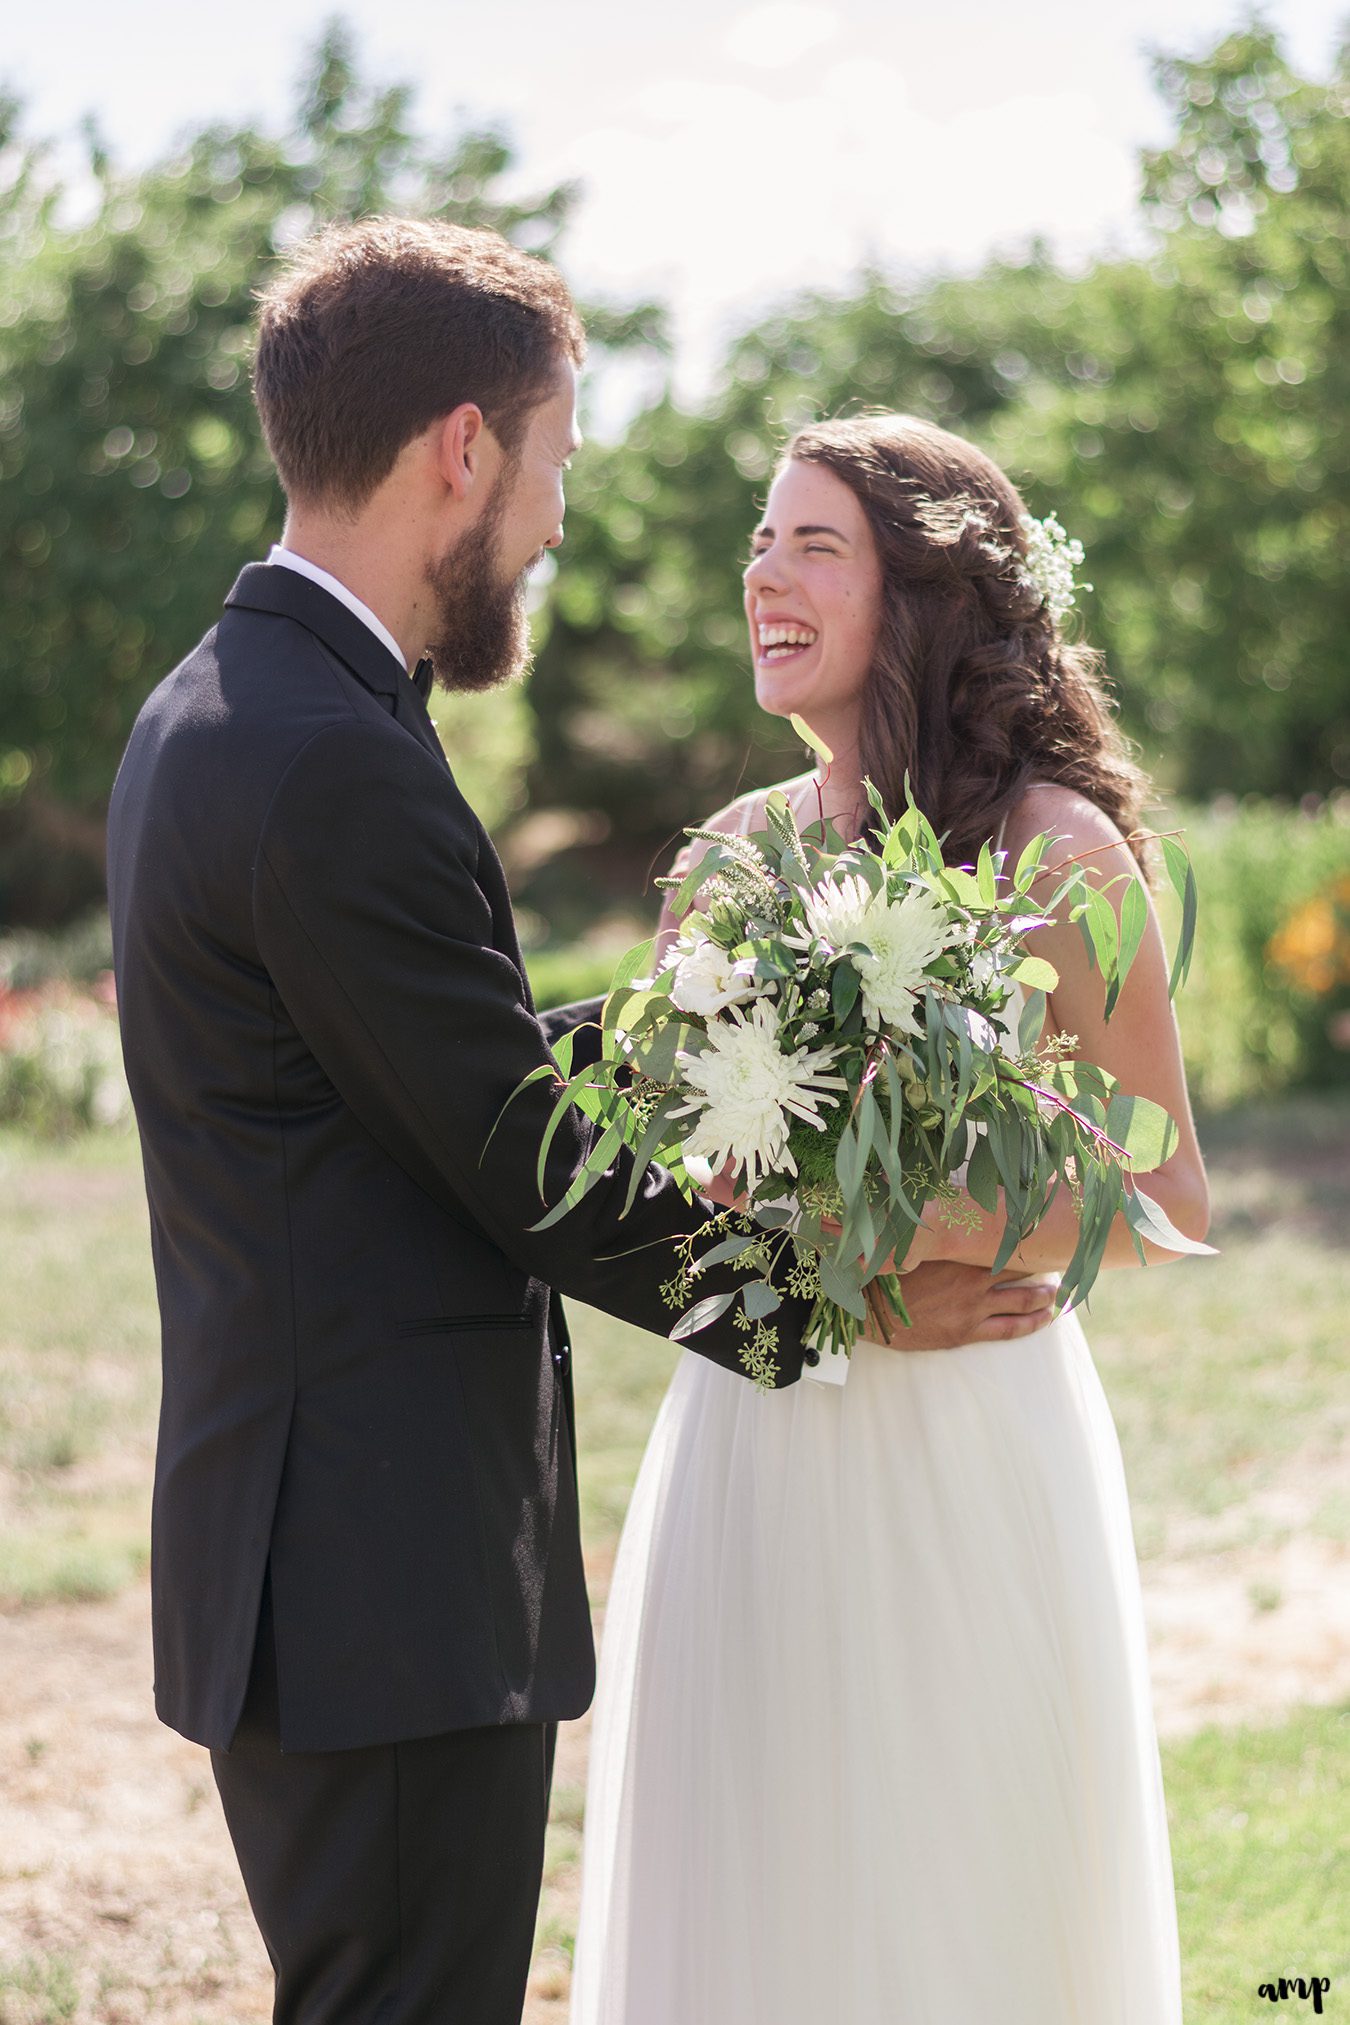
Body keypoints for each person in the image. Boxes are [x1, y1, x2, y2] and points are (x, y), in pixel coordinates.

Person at [105, 215, 851, 2025]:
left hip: (324, 1564)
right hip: (379, 1586)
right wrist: (831, 1317)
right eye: (552, 466)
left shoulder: (228, 707)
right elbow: (516, 1154)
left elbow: (416, 1064)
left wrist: (720, 1024)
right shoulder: (330, 752)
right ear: (462, 448)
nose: (554, 521)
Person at [570, 414, 1210, 2025]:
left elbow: (1166, 1196)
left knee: (960, 1894)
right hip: (760, 1435)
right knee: (758, 1899)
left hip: (975, 1457)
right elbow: (672, 1212)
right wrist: (839, 1293)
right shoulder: (727, 864)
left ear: (920, 592)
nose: (760, 575)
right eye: (759, 542)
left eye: (812, 543)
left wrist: (937, 1225)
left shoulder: (1056, 854)